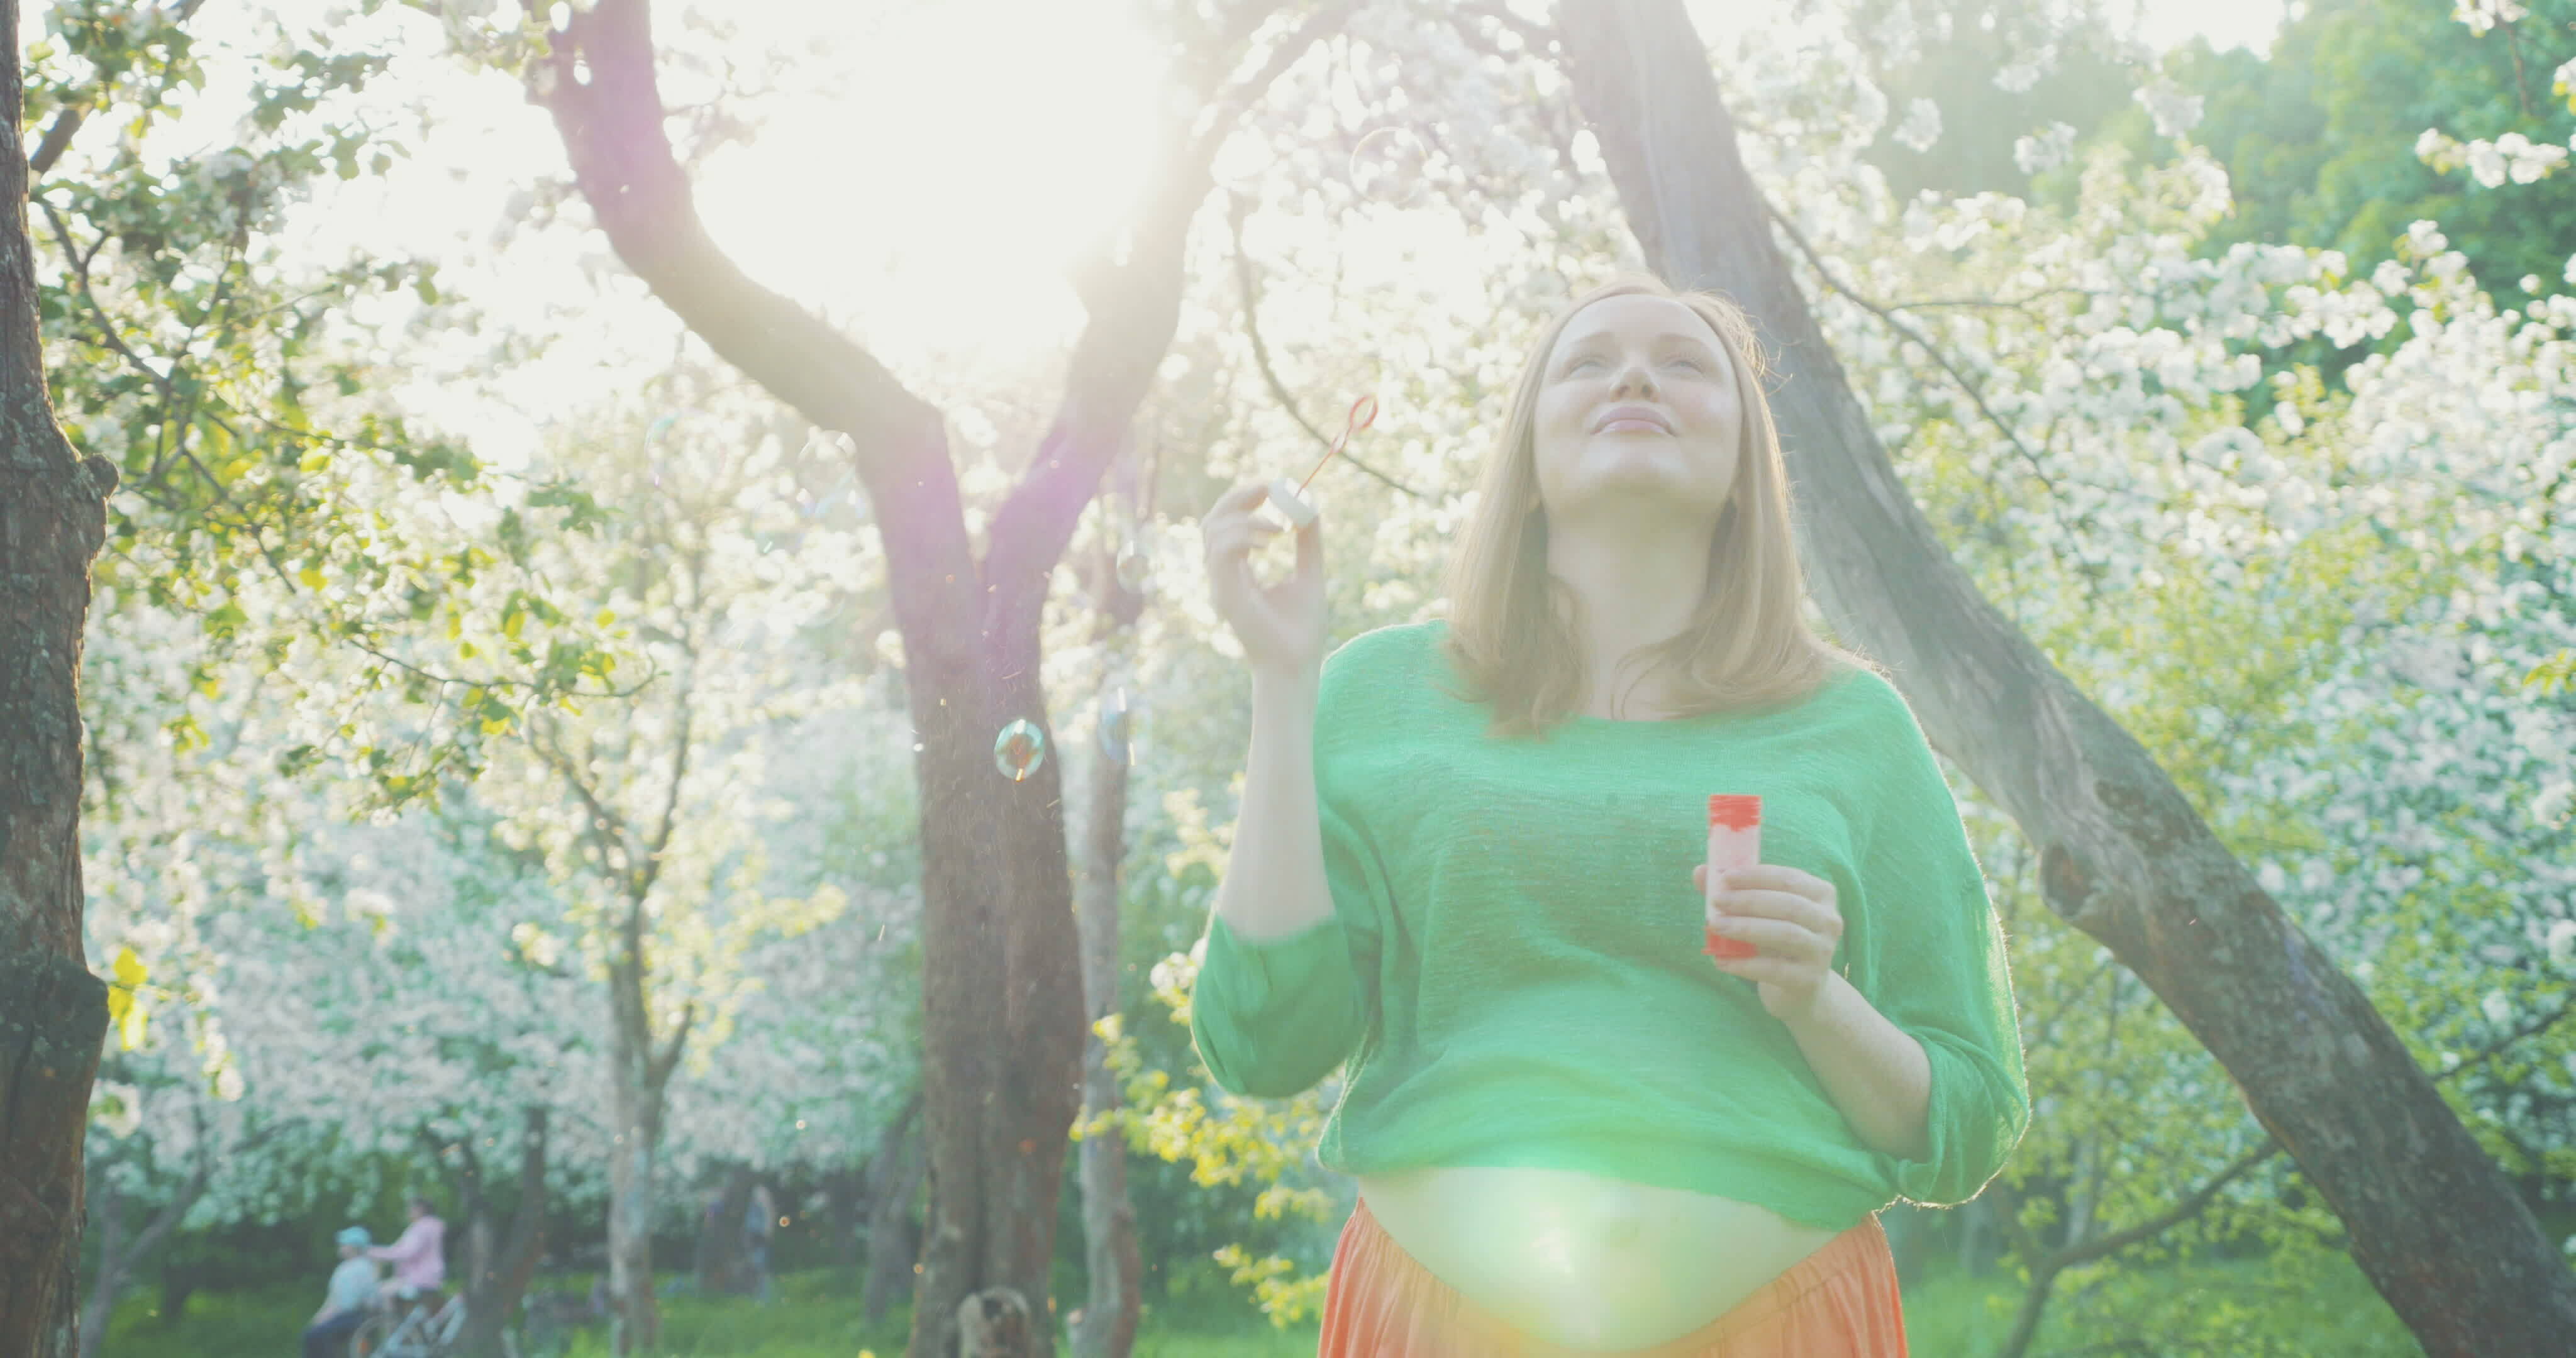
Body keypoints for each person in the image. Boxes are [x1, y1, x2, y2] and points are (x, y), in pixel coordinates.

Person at [1190, 272, 2031, 1355]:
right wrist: (1280, 682)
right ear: (1527, 465)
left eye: (1685, 363)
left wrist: (1816, 999)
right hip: (1440, 1324)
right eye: (1587, 361)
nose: (1635, 373)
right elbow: (1261, 1046)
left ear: (1745, 474)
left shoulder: (1852, 727)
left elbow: (1960, 1125)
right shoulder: (1374, 693)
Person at [303, 1226, 379, 1358]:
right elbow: (332, 1298)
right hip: (341, 1314)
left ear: (354, 1246)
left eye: (344, 1244)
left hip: (358, 1315)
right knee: (311, 1332)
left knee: (322, 1333)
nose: (341, 1246)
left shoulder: (363, 1267)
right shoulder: (342, 1269)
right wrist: (320, 1316)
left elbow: (352, 1302)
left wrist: (329, 1315)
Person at [368, 1195, 447, 1306]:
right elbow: (398, 1250)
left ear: (420, 1209)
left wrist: (373, 1252)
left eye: (410, 1208)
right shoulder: (431, 1227)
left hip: (419, 1279)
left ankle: (392, 1322)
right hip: (430, 1278)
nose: (408, 1211)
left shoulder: (421, 1227)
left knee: (380, 1292)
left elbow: (405, 1252)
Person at [742, 1181, 778, 1303]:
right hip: (753, 1240)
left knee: (760, 1269)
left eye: (760, 1194)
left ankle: (764, 1299)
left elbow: (770, 1217)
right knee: (755, 1269)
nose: (757, 1196)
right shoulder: (754, 1206)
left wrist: (767, 1234)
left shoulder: (764, 1207)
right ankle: (759, 1297)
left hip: (759, 1240)